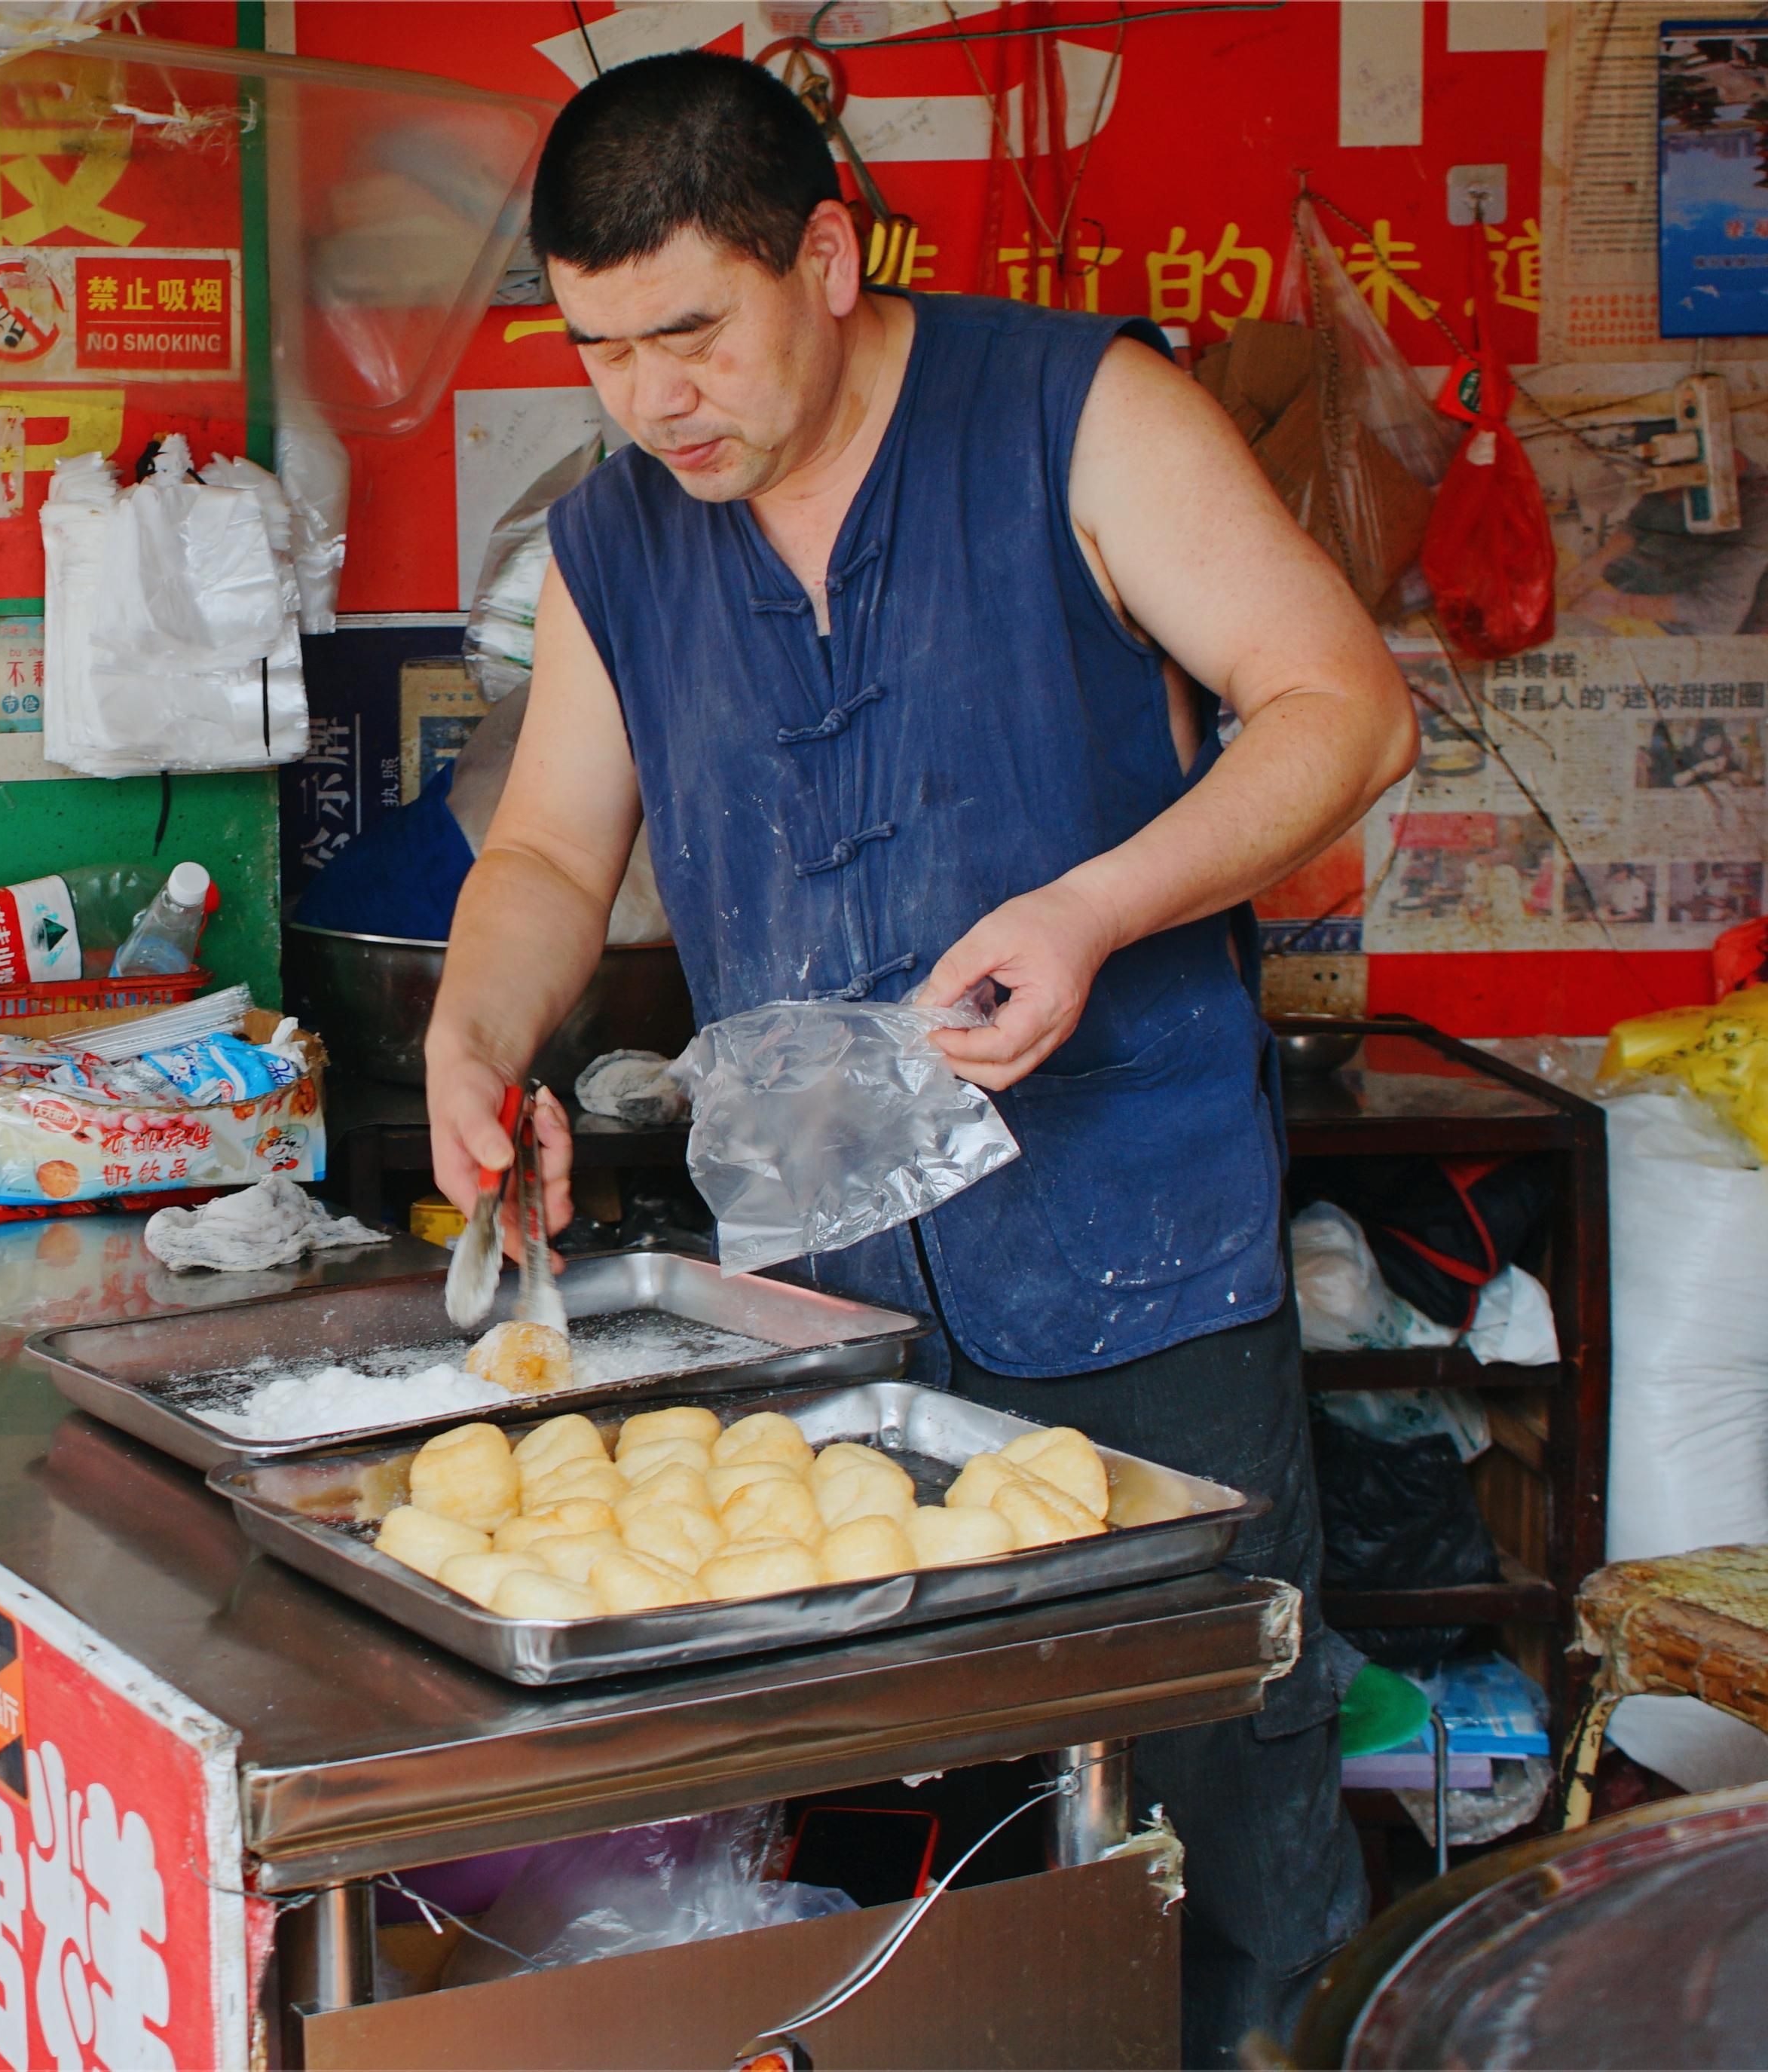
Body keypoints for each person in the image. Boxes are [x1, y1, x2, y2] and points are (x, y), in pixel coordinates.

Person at [424, 54, 1418, 2067]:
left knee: (1219, 1806)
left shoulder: (1075, 409)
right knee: (921, 1867)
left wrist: (1098, 905)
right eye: (603, 348)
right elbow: (544, 846)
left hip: (1127, 1255)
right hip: (824, 1302)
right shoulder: (622, 535)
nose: (650, 398)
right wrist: (473, 1028)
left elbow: (1342, 707)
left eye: (692, 331)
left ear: (829, 254)